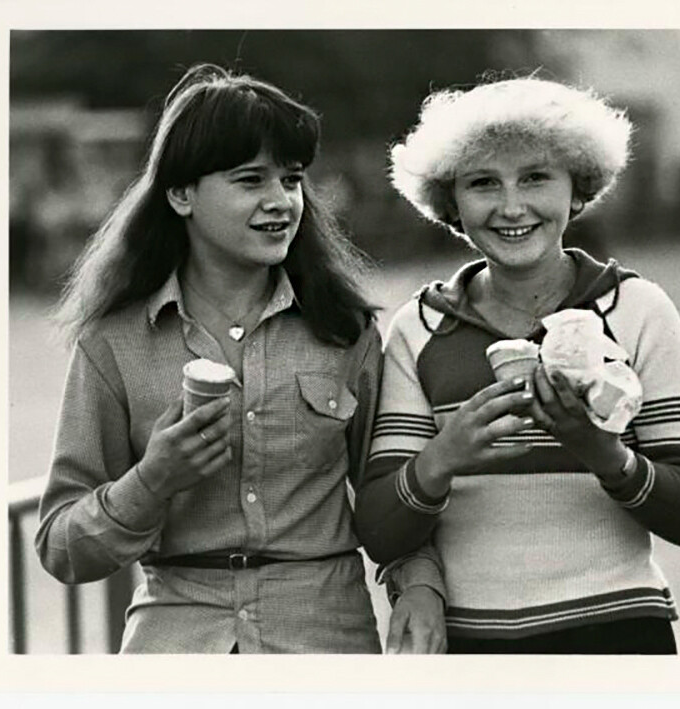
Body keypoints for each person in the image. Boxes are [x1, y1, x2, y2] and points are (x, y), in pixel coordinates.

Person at [34, 64, 446, 653]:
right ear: (180, 194)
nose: (281, 202)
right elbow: (60, 545)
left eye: (292, 179)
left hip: (324, 641)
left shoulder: (344, 330)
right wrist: (152, 481)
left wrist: (419, 584)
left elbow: (388, 496)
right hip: (175, 645)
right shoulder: (113, 343)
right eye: (250, 179)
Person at [354, 77, 680, 654]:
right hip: (475, 649)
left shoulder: (637, 310)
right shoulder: (419, 328)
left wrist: (602, 451)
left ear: (578, 188)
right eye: (482, 183)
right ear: (450, 203)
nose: (511, 206)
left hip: (621, 638)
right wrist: (442, 458)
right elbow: (378, 528)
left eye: (535, 176)